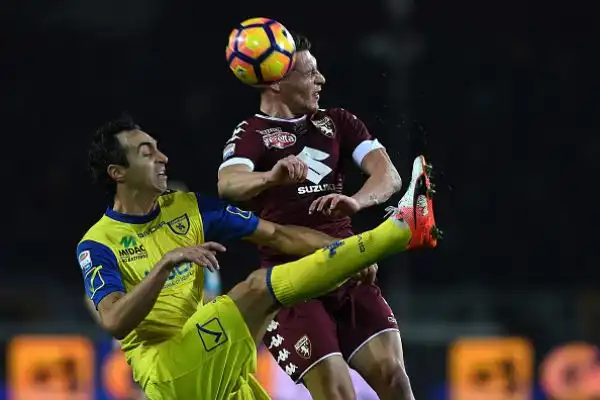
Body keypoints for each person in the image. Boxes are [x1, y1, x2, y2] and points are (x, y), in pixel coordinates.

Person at [76, 116, 438, 399]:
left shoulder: (188, 208)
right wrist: (165, 265)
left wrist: (348, 252)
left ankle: (379, 240)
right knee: (256, 289)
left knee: (260, 291)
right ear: (117, 172)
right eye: (146, 152)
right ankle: (397, 232)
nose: (162, 157)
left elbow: (278, 235)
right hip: (167, 372)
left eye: (157, 148)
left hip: (219, 364)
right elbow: (113, 321)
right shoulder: (98, 244)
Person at [218, 32, 432, 400]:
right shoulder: (251, 133)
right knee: (338, 395)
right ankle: (401, 229)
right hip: (293, 286)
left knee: (395, 378)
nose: (321, 80)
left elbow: (389, 175)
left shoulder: (337, 122)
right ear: (278, 81)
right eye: (310, 73)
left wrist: (357, 202)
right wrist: (272, 176)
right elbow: (228, 183)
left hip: (349, 269)